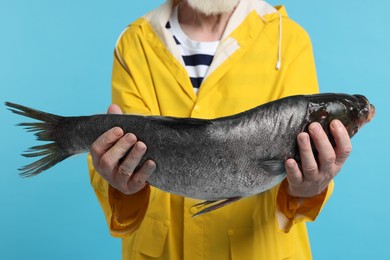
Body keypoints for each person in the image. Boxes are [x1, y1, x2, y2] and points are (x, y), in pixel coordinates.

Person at [87, 0, 352, 259]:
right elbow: (120, 162)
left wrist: (309, 189)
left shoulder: (289, 38)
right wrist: (120, 182)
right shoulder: (134, 42)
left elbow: (300, 186)